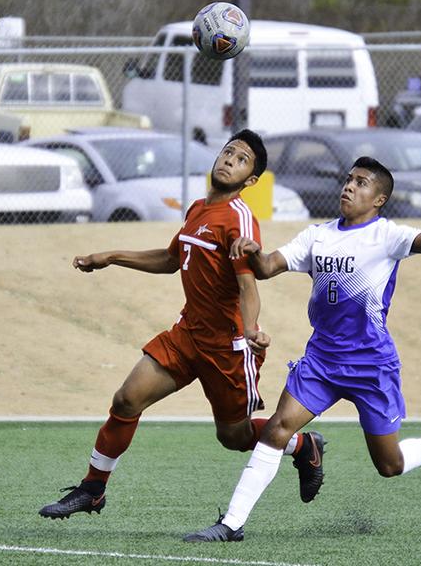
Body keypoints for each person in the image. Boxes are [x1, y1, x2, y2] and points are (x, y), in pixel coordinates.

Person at [184, 156, 421, 542]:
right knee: (276, 429)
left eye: (361, 183)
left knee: (389, 465)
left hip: (371, 365)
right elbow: (269, 266)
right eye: (348, 179)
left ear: (379, 199)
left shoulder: (387, 236)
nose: (349, 187)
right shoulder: (317, 236)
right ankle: (231, 524)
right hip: (322, 360)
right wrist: (254, 250)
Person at [38, 129, 325, 520]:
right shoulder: (197, 209)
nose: (229, 160)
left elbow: (247, 285)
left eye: (241, 159)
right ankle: (92, 489)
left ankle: (303, 446)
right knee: (126, 399)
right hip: (187, 335)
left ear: (251, 179)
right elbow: (172, 258)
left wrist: (252, 328)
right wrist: (112, 256)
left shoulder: (240, 218)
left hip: (227, 346)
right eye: (228, 152)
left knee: (234, 437)